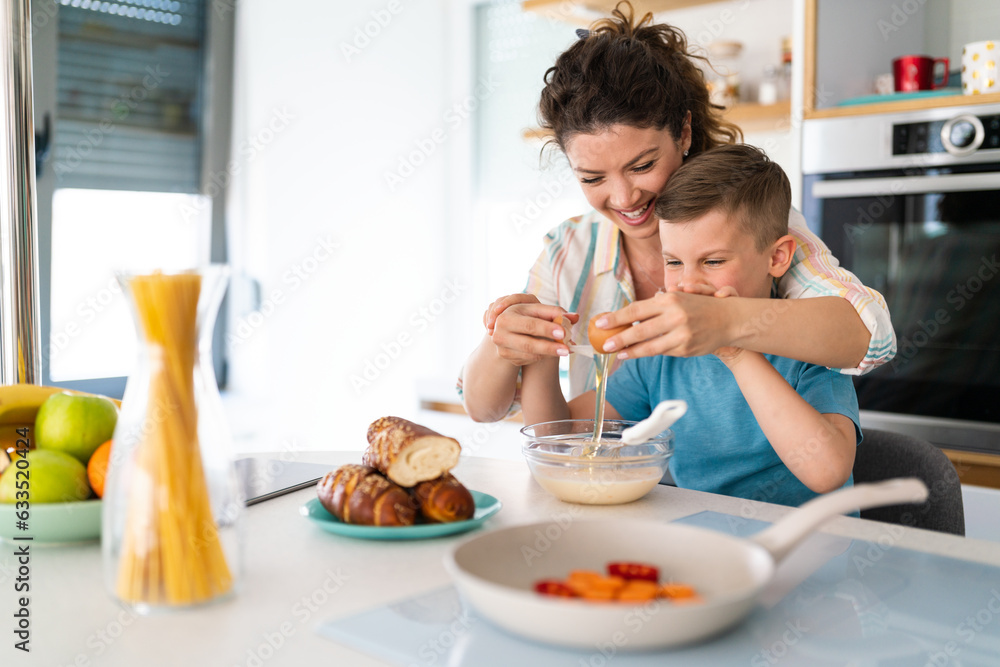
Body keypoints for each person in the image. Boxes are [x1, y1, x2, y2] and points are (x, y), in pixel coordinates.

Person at [459, 2, 894, 423]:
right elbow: (483, 408)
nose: (624, 196)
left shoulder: (748, 224)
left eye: (643, 166)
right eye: (592, 178)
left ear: (684, 132)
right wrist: (505, 343)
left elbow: (870, 337)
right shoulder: (569, 250)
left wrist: (725, 323)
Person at [520, 144, 860, 506]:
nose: (686, 284)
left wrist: (735, 349)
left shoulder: (808, 344)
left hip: (810, 551)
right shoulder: (661, 356)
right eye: (674, 262)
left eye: (712, 261)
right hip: (707, 543)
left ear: (776, 257)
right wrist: (541, 353)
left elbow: (827, 472)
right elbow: (562, 438)